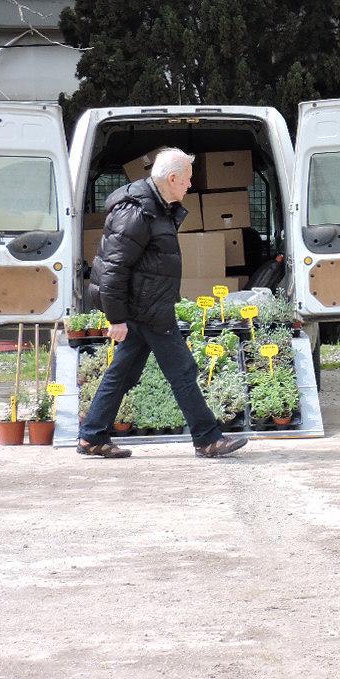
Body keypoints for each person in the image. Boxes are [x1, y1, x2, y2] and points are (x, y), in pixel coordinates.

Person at [76, 149, 249, 460]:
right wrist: (116, 318)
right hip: (147, 310)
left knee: (123, 372)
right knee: (182, 370)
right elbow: (113, 269)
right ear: (172, 178)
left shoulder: (156, 207)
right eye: (187, 180)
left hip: (147, 306)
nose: (190, 185)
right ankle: (207, 439)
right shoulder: (137, 212)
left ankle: (92, 435)